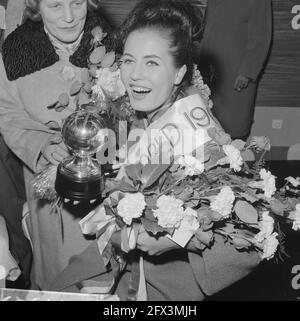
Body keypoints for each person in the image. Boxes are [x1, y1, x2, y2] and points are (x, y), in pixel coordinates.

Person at [49, 0, 261, 301]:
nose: (135, 75)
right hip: (120, 266)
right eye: (128, 61)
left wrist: (178, 239)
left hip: (170, 287)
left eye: (151, 63)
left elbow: (254, 238)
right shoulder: (131, 116)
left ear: (179, 74)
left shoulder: (200, 133)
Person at [0, 0, 114, 290]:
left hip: (105, 181)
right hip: (46, 182)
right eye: (55, 5)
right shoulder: (16, 50)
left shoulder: (112, 44)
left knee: (102, 270)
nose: (68, 17)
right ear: (37, 6)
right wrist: (41, 146)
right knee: (57, 271)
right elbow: (9, 114)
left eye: (77, 3)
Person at [199, 0, 272, 140]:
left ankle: (231, 160)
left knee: (233, 127)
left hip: (236, 74)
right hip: (208, 70)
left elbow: (260, 38)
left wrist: (247, 72)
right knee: (206, 126)